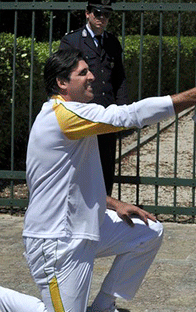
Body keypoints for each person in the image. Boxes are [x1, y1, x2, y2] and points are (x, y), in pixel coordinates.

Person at [0, 49, 196, 312]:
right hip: (56, 240)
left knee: (148, 232)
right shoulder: (63, 116)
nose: (91, 76)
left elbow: (68, 183)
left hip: (84, 226)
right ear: (62, 83)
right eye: (82, 73)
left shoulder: (70, 117)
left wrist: (116, 204)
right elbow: (128, 115)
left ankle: (102, 309)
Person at [59, 0, 126, 196]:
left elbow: (119, 78)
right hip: (82, 113)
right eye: (98, 14)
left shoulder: (112, 42)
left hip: (105, 113)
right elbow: (63, 76)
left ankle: (104, 209)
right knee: (80, 164)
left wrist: (122, 108)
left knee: (105, 164)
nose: (102, 19)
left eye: (106, 15)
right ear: (87, 14)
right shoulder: (72, 42)